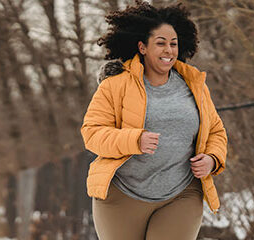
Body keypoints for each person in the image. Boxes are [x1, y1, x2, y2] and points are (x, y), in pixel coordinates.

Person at [80, 1, 227, 239]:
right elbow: (92, 133)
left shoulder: (194, 85)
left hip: (181, 194)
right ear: (142, 47)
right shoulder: (115, 85)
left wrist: (212, 159)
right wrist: (134, 140)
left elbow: (216, 132)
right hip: (122, 196)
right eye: (161, 43)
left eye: (173, 44)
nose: (169, 50)